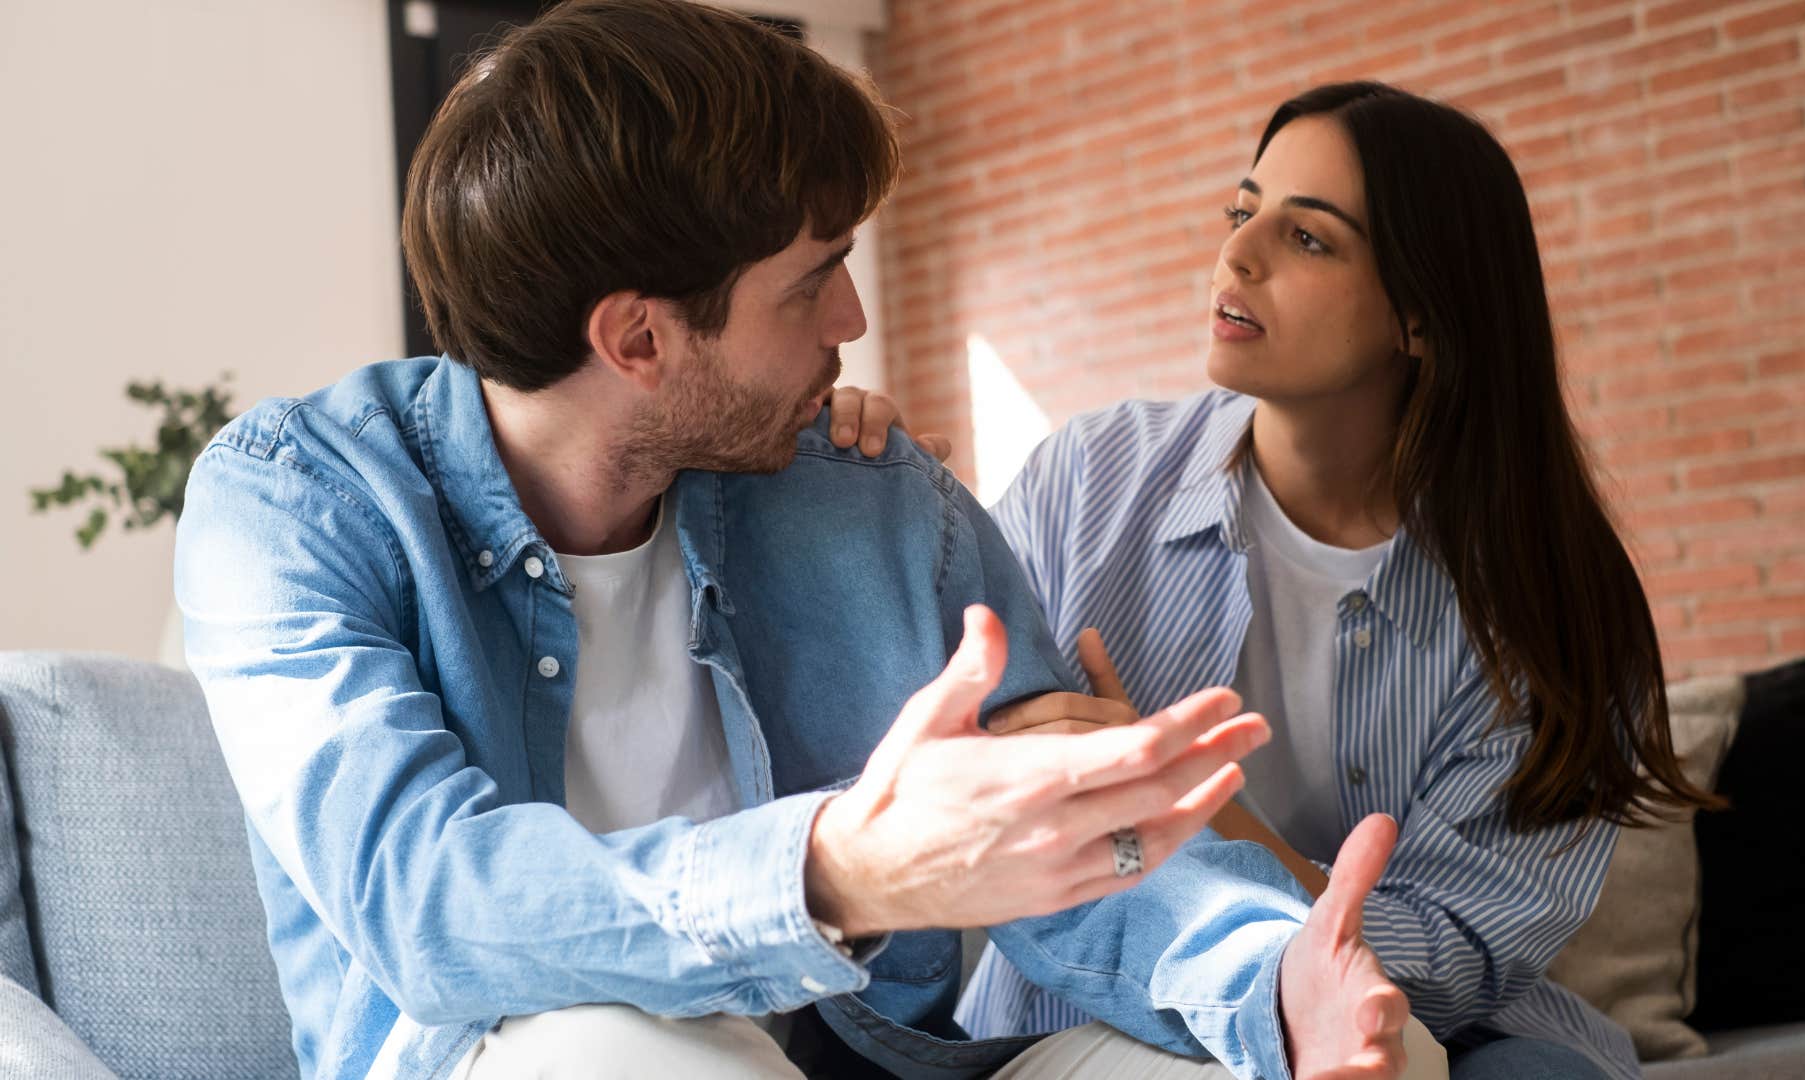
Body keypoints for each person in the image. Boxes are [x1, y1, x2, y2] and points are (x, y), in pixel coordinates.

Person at [174, 8, 1416, 1079]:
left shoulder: (863, 489)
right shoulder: (297, 504)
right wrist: (845, 869)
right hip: (526, 1057)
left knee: (1348, 1048)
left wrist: (1271, 976)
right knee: (628, 1052)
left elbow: (1072, 844)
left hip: (867, 1059)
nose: (856, 318)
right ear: (640, 342)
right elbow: (428, 902)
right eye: (812, 280)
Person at [929, 82, 1721, 1080]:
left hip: (1434, 1030)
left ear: (1423, 317)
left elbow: (1448, 966)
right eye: (1243, 210)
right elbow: (942, 767)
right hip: (1094, 1008)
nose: (1238, 254)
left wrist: (1191, 803)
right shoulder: (1088, 481)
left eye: (1309, 239)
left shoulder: (1550, 605)